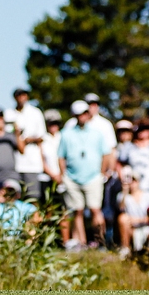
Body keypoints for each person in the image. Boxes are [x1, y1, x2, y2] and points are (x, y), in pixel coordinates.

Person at [58, 100, 113, 249]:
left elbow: (106, 154)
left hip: (93, 177)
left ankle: (100, 242)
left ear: (88, 114)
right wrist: (64, 176)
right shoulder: (66, 133)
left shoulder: (97, 133)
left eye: (84, 113)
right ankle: (81, 243)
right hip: (72, 178)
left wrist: (102, 173)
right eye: (78, 114)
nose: (81, 116)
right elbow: (61, 156)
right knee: (78, 211)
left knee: (95, 209)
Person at [5, 88, 46, 201]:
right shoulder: (9, 114)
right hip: (15, 164)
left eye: (23, 95)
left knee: (33, 198)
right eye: (18, 95)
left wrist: (27, 140)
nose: (21, 98)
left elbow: (42, 136)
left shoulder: (35, 112)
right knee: (15, 198)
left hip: (31, 164)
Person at [116, 166, 149, 256]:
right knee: (122, 218)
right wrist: (125, 191)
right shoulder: (123, 196)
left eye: (134, 180)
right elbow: (121, 208)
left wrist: (138, 220)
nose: (132, 183)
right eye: (130, 180)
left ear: (138, 181)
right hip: (132, 228)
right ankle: (125, 248)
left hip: (148, 227)